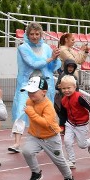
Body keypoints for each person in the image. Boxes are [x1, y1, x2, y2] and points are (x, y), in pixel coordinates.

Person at [10, 22, 61, 153]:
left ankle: (50, 140)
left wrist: (55, 58)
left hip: (44, 84)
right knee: (21, 110)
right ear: (27, 34)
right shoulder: (23, 48)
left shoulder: (47, 48)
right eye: (31, 34)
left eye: (37, 34)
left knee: (46, 112)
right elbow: (33, 63)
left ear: (41, 34)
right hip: (26, 84)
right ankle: (16, 143)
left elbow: (53, 67)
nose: (34, 36)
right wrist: (51, 58)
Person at [20, 76, 76, 180]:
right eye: (28, 91)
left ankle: (69, 178)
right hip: (34, 135)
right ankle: (36, 173)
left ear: (44, 92)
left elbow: (46, 123)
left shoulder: (48, 105)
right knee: (27, 151)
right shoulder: (29, 101)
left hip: (51, 137)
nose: (30, 94)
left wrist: (31, 113)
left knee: (59, 161)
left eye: (33, 91)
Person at [58, 75, 90, 169]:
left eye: (69, 88)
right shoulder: (63, 100)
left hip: (82, 124)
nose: (66, 90)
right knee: (67, 141)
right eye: (64, 88)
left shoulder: (79, 97)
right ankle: (71, 160)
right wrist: (61, 126)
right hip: (70, 124)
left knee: (82, 145)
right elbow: (62, 114)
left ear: (74, 87)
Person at [54, 59, 78, 133]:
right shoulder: (62, 75)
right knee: (62, 114)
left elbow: (77, 88)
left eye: (72, 67)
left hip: (72, 99)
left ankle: (71, 128)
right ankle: (63, 128)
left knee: (72, 113)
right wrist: (60, 86)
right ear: (65, 67)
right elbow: (57, 86)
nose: (70, 68)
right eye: (69, 67)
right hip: (63, 98)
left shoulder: (74, 77)